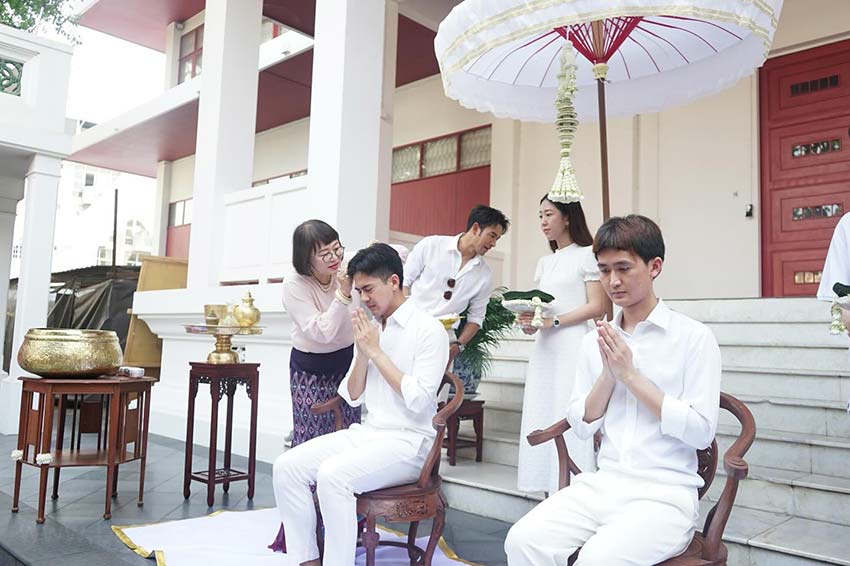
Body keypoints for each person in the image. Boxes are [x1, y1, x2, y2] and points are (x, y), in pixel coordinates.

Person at [505, 215, 721, 565]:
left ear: (655, 266)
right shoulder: (595, 342)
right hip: (603, 485)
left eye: (623, 268)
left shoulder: (693, 338)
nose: (613, 281)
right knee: (522, 541)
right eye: (604, 270)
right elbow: (581, 423)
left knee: (597, 560)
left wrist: (631, 376)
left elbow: (700, 432)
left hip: (665, 495)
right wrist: (608, 375)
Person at [272, 243, 449, 566]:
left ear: (394, 281)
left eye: (369, 289)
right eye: (359, 291)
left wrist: (377, 353)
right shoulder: (370, 328)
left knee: (332, 475)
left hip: (411, 442)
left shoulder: (429, 330)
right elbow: (353, 394)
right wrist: (365, 353)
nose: (364, 298)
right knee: (287, 467)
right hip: (369, 433)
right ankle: (308, 560)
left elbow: (420, 399)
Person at [270, 219, 360, 552]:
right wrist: (342, 293)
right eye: (325, 254)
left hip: (348, 366)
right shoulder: (295, 283)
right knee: (309, 446)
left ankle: (347, 525)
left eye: (338, 248)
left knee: (348, 442)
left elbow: (400, 254)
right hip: (310, 370)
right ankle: (305, 534)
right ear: (306, 259)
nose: (335, 258)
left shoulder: (345, 268)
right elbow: (321, 331)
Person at [516, 195, 608, 494]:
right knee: (544, 410)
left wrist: (553, 323)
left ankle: (575, 489)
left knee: (569, 410)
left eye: (549, 214)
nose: (543, 221)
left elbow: (598, 306)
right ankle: (547, 485)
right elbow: (542, 314)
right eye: (540, 215)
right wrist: (531, 324)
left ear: (567, 217)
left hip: (573, 345)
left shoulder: (587, 255)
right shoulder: (545, 262)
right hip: (545, 349)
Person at [404, 204, 510, 359]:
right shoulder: (431, 245)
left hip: (444, 338)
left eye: (497, 239)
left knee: (436, 383)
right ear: (475, 228)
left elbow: (476, 317)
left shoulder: (485, 274)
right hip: (410, 328)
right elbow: (403, 282)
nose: (494, 244)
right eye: (492, 235)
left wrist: (459, 345)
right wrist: (406, 317)